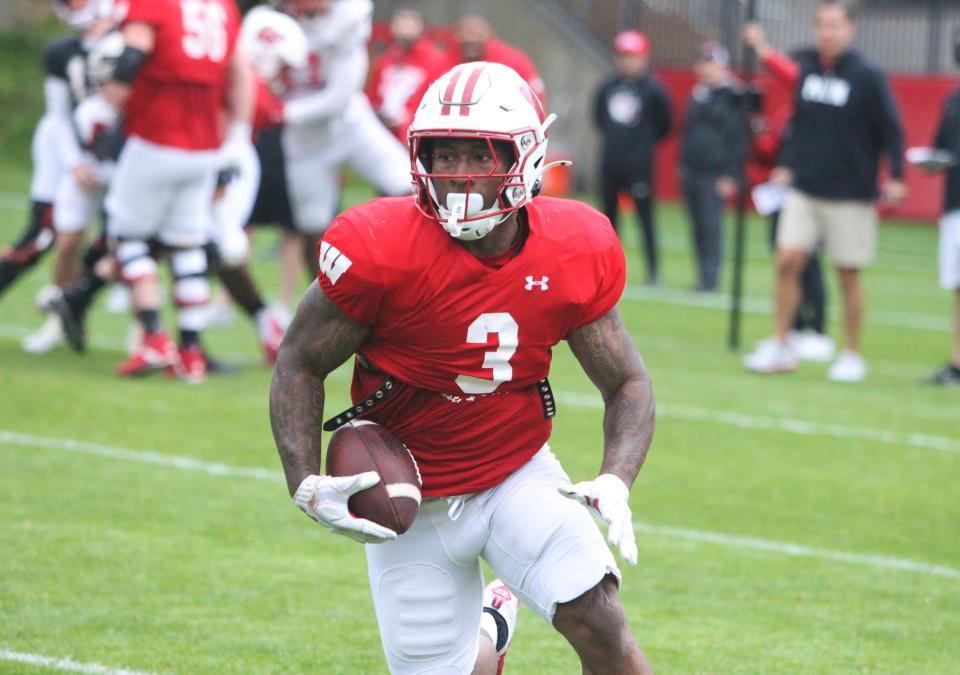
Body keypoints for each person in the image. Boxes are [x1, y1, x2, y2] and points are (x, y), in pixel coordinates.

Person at [270, 62, 655, 674]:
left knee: (602, 625)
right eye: (442, 156)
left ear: (527, 156)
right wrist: (303, 479)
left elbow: (627, 380)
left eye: (479, 154)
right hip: (409, 496)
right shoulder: (379, 247)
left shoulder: (574, 246)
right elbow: (299, 359)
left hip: (516, 473)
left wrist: (615, 478)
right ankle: (492, 629)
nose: (457, 176)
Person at [53, 0, 254, 383]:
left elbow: (130, 57)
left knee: (126, 237)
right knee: (187, 244)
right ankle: (191, 353)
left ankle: (155, 340)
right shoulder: (223, 6)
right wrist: (239, 135)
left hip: (156, 135)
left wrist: (106, 106)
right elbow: (240, 72)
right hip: (205, 144)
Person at [743, 0, 906, 381]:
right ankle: (782, 344)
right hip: (805, 190)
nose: (827, 32)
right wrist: (787, 163)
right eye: (821, 25)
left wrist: (896, 176)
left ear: (850, 29)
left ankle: (851, 354)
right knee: (787, 260)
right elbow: (800, 124)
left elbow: (892, 131)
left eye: (834, 25)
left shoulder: (867, 77)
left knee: (848, 274)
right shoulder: (810, 71)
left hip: (850, 194)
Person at [0, 0, 113, 352]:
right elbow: (59, 115)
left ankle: (75, 310)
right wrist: (74, 162)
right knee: (46, 237)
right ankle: (60, 317)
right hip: (70, 155)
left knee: (124, 243)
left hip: (118, 155)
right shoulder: (63, 52)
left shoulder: (130, 39)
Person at [279, 0, 411, 284]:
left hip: (352, 124)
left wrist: (282, 111)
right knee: (313, 230)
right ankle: (331, 300)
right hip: (305, 142)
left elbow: (338, 99)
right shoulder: (272, 23)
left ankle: (415, 271)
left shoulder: (347, 15)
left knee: (410, 188)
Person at [742, 20, 835, 363]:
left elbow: (791, 75)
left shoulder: (821, 112)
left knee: (809, 263)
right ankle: (792, 328)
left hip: (809, 193)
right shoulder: (788, 113)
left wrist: (761, 47)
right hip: (783, 196)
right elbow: (771, 150)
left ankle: (818, 329)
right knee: (785, 260)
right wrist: (757, 135)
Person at [592, 30, 672, 286]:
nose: (628, 62)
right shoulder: (607, 87)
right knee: (608, 221)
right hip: (611, 163)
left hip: (639, 166)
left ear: (644, 58)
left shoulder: (654, 90)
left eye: (633, 56)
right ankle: (608, 272)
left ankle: (652, 270)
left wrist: (641, 147)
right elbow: (598, 119)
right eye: (624, 56)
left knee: (645, 218)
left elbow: (665, 124)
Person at [679, 42, 750, 293]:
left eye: (711, 63)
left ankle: (710, 278)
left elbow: (738, 138)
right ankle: (702, 275)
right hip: (693, 170)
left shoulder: (733, 96)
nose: (706, 69)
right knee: (697, 225)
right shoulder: (698, 95)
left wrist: (731, 174)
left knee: (711, 226)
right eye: (703, 63)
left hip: (715, 173)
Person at [921, 72, 960, 385]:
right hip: (955, 205)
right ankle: (957, 363)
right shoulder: (953, 101)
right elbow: (942, 150)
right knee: (958, 286)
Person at [365, 4, 448, 144]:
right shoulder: (385, 60)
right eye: (401, 23)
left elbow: (436, 102)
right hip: (382, 129)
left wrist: (408, 119)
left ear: (422, 28)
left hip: (412, 132)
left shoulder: (435, 61)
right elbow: (372, 98)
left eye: (410, 24)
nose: (405, 29)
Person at [447, 9, 546, 106]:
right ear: (456, 34)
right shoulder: (445, 62)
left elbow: (536, 98)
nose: (471, 38)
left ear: (488, 33)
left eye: (478, 33)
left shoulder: (513, 61)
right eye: (466, 32)